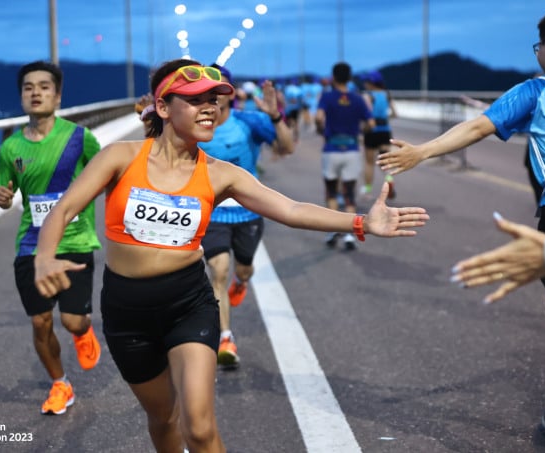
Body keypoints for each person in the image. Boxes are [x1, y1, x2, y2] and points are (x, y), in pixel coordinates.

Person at [32, 58, 429, 452]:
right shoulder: (120, 157)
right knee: (162, 419)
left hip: (187, 304)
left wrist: (360, 223)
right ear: (164, 107)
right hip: (126, 312)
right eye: (195, 99)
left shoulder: (221, 174)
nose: (209, 106)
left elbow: (290, 210)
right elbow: (64, 208)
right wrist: (44, 257)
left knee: (200, 428)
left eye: (214, 98)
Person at [378, 12, 545, 431]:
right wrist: (421, 153)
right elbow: (477, 126)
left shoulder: (536, 93)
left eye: (538, 45)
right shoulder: (533, 92)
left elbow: (477, 126)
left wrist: (421, 153)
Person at [0, 61, 102, 415]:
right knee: (40, 323)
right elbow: (3, 186)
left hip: (75, 242)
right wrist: (2, 197)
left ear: (57, 95)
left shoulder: (79, 138)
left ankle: (83, 330)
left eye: (44, 86)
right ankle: (60, 384)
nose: (35, 92)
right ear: (22, 96)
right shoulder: (10, 148)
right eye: (28, 87)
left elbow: (106, 172)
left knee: (71, 321)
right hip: (31, 245)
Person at [199, 64, 295, 369]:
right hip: (211, 214)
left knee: (243, 271)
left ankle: (242, 282)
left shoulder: (248, 122)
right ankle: (225, 337)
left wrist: (276, 115)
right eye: (206, 89)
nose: (212, 95)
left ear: (230, 93)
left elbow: (287, 147)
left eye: (219, 88)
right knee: (218, 270)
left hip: (247, 213)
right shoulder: (194, 125)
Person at [315, 62, 375, 250]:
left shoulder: (327, 97)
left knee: (331, 192)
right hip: (351, 149)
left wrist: (320, 130)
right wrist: (360, 131)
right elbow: (371, 123)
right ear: (349, 78)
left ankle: (333, 229)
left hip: (331, 149)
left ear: (333, 77)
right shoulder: (358, 99)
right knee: (349, 194)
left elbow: (318, 117)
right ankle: (350, 234)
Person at [361, 70, 397, 199]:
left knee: (369, 162)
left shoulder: (368, 96)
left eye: (366, 81)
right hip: (385, 131)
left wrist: (363, 128)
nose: (364, 84)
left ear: (371, 83)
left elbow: (368, 114)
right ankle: (389, 180)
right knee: (385, 161)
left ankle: (368, 190)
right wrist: (385, 119)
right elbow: (395, 113)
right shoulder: (386, 94)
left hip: (371, 132)